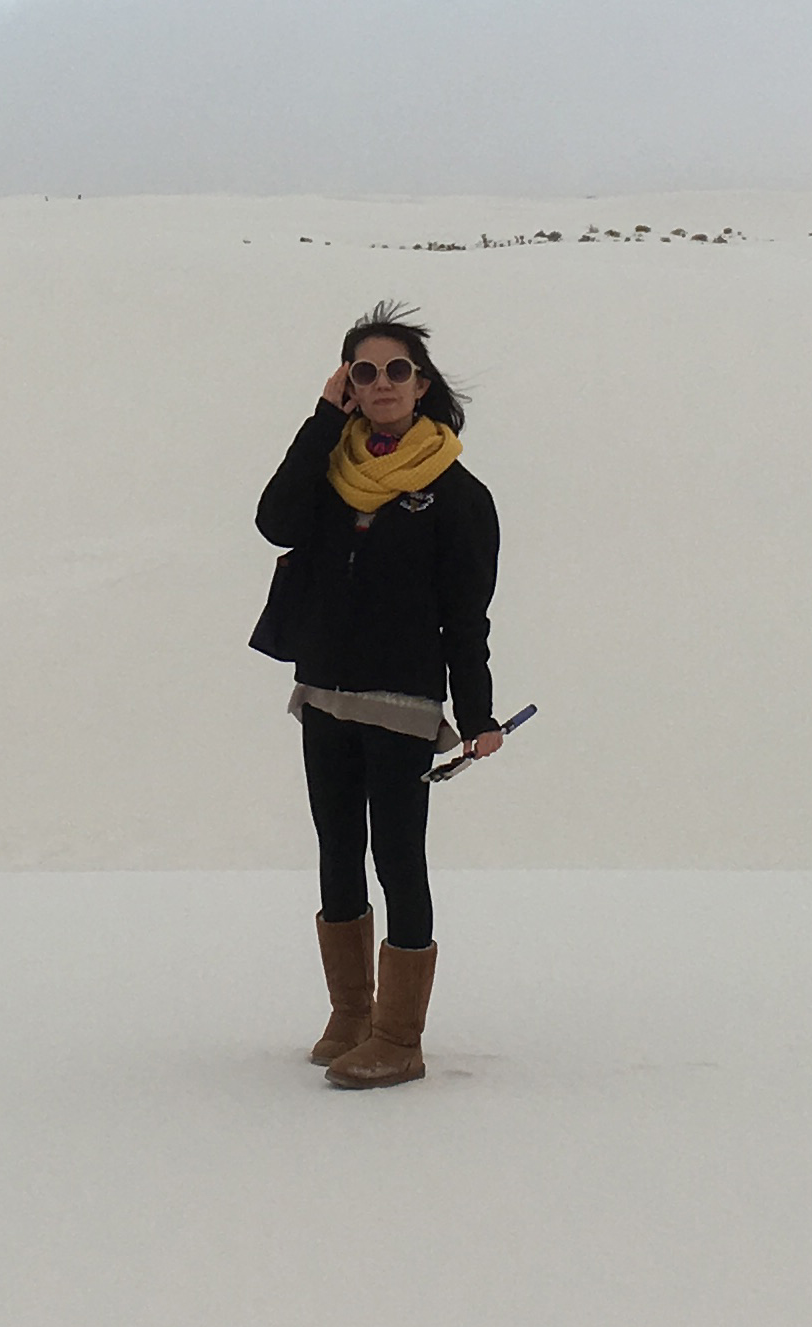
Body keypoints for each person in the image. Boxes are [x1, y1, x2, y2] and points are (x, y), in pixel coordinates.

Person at [255, 301, 504, 1089]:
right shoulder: (329, 475)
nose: (383, 382)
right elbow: (273, 520)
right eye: (364, 372)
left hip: (401, 706)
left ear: (423, 384)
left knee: (398, 858)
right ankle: (350, 1014)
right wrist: (319, 421)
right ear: (348, 388)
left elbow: (466, 619)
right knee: (336, 850)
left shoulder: (459, 496)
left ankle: (400, 1037)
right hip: (324, 694)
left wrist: (479, 715)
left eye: (399, 369)